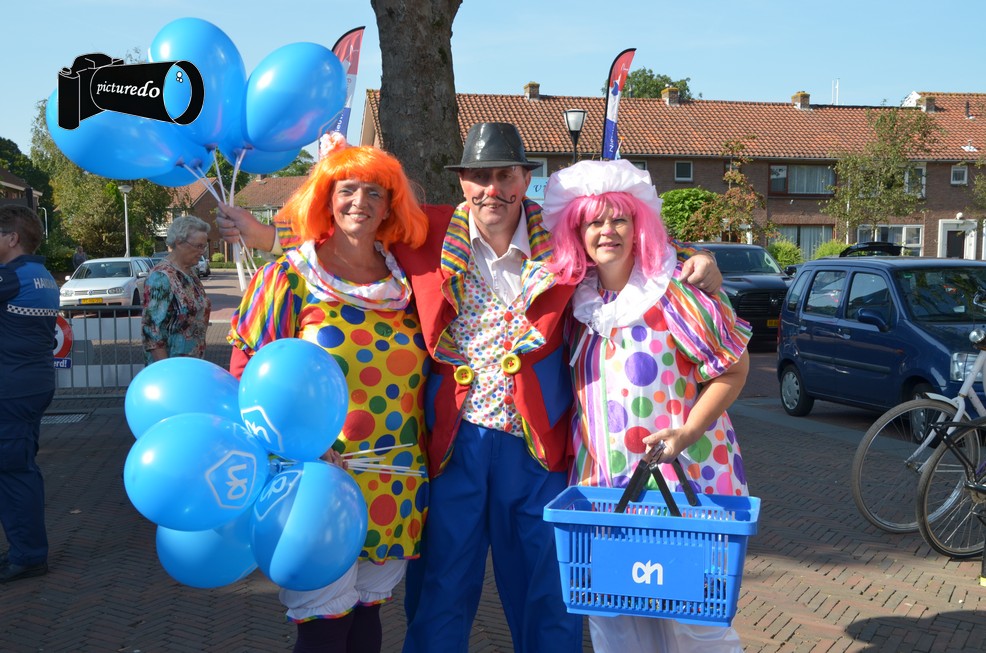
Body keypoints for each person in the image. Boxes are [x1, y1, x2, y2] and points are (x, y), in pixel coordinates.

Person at [217, 122, 722, 653]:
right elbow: (350, 229)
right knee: (442, 589)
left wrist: (699, 256)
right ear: (462, 182)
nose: (491, 189)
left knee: (546, 590)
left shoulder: (561, 235)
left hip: (538, 446)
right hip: (454, 444)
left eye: (505, 175)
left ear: (525, 178)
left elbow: (623, 234)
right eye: (479, 177)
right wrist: (268, 237)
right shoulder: (427, 231)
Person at [226, 141, 431, 653]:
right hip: (317, 473)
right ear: (326, 198)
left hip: (395, 474)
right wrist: (296, 450)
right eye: (348, 190)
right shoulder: (290, 277)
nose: (361, 201)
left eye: (375, 193)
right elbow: (247, 375)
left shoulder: (407, 282)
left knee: (367, 617)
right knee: (323, 623)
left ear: (391, 206)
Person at [541, 158, 751, 652]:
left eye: (619, 219)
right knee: (615, 624)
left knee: (695, 622)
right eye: (594, 221)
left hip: (686, 484)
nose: (607, 231)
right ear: (577, 232)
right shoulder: (575, 304)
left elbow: (733, 369)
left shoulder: (674, 292)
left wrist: (686, 433)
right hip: (604, 489)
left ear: (639, 226)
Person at [0, 205, 59, 583]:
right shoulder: (42, 276)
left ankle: (28, 555)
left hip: (11, 388)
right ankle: (23, 549)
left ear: (12, 238)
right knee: (18, 467)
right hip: (31, 383)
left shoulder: (9, 277)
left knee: (13, 471)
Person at [141, 216, 212, 365]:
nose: (202, 252)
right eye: (198, 246)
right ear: (179, 242)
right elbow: (152, 332)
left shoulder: (190, 273)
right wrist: (167, 371)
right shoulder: (161, 277)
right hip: (171, 368)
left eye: (204, 246)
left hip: (191, 364)